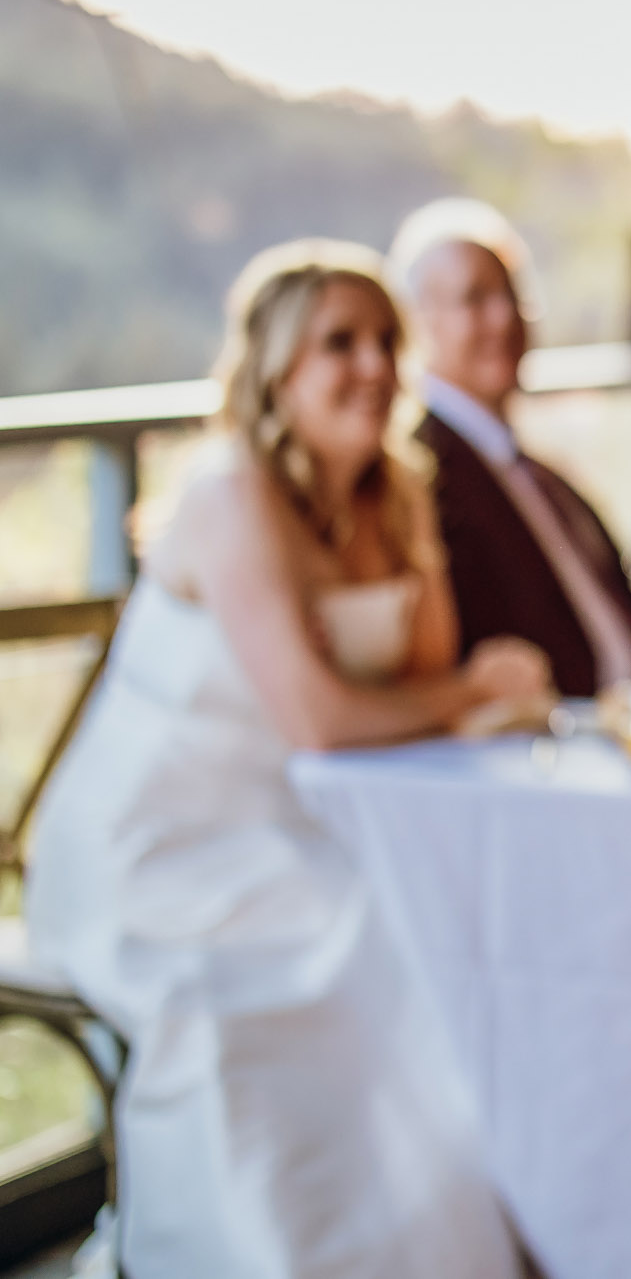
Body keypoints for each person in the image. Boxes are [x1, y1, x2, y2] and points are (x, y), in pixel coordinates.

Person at [27, 240, 549, 1278]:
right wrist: (472, 692)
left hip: (287, 832)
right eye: (337, 343)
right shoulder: (229, 495)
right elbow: (326, 717)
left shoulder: (391, 492)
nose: (371, 366)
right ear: (275, 369)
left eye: (386, 342)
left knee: (430, 920)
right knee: (363, 937)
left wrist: (411, 533)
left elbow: (427, 661)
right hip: (162, 848)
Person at [389, 199, 631, 699]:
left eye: (513, 296)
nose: (505, 317)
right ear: (418, 322)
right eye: (474, 299)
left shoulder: (542, 476)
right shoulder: (416, 471)